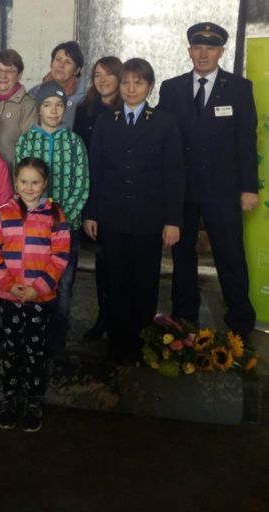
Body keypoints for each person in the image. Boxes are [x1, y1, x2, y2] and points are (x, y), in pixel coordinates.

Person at [158, 22, 259, 340]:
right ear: (189, 50)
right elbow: (161, 135)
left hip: (223, 190)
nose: (203, 54)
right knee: (182, 256)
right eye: (197, 47)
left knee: (230, 256)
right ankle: (183, 318)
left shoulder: (239, 88)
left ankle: (240, 321)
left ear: (221, 52)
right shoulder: (171, 88)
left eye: (210, 48)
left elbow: (246, 141)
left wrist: (249, 187)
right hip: (183, 190)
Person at [84, 59, 184, 362]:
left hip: (149, 220)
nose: (130, 88)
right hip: (112, 217)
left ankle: (142, 342)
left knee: (144, 283)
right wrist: (91, 212)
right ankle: (118, 342)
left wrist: (172, 221)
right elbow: (95, 171)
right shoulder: (106, 121)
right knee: (116, 281)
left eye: (138, 83)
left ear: (149, 87)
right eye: (126, 82)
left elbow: (174, 175)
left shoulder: (165, 123)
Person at [0, 157, 70, 432]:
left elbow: (60, 257)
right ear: (15, 181)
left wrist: (38, 288)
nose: (29, 188)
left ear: (45, 183)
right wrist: (9, 285)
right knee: (11, 349)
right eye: (24, 181)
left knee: (35, 351)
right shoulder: (2, 213)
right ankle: (9, 399)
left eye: (35, 182)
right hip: (10, 297)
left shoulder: (56, 214)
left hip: (40, 299)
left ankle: (33, 401)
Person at [15, 82, 89, 358]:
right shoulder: (26, 141)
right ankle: (31, 339)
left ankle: (56, 345)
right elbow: (19, 185)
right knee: (33, 282)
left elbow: (82, 184)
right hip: (33, 229)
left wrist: (61, 220)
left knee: (63, 286)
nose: (54, 111)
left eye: (59, 105)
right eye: (47, 105)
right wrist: (35, 219)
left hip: (66, 229)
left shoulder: (75, 142)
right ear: (39, 109)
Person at [74, 56, 123, 340]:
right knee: (102, 261)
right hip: (94, 193)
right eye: (97, 75)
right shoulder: (85, 110)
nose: (102, 80)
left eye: (108, 74)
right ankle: (103, 316)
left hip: (122, 194)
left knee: (122, 262)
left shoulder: (128, 108)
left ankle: (122, 321)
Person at [0, 49, 37, 169]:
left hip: (15, 175)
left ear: (19, 75)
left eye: (10, 71)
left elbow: (30, 147)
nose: (3, 76)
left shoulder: (28, 105)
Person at [29, 41, 86, 129]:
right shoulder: (35, 92)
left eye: (68, 62)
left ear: (76, 70)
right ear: (51, 64)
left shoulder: (84, 97)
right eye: (58, 60)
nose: (61, 65)